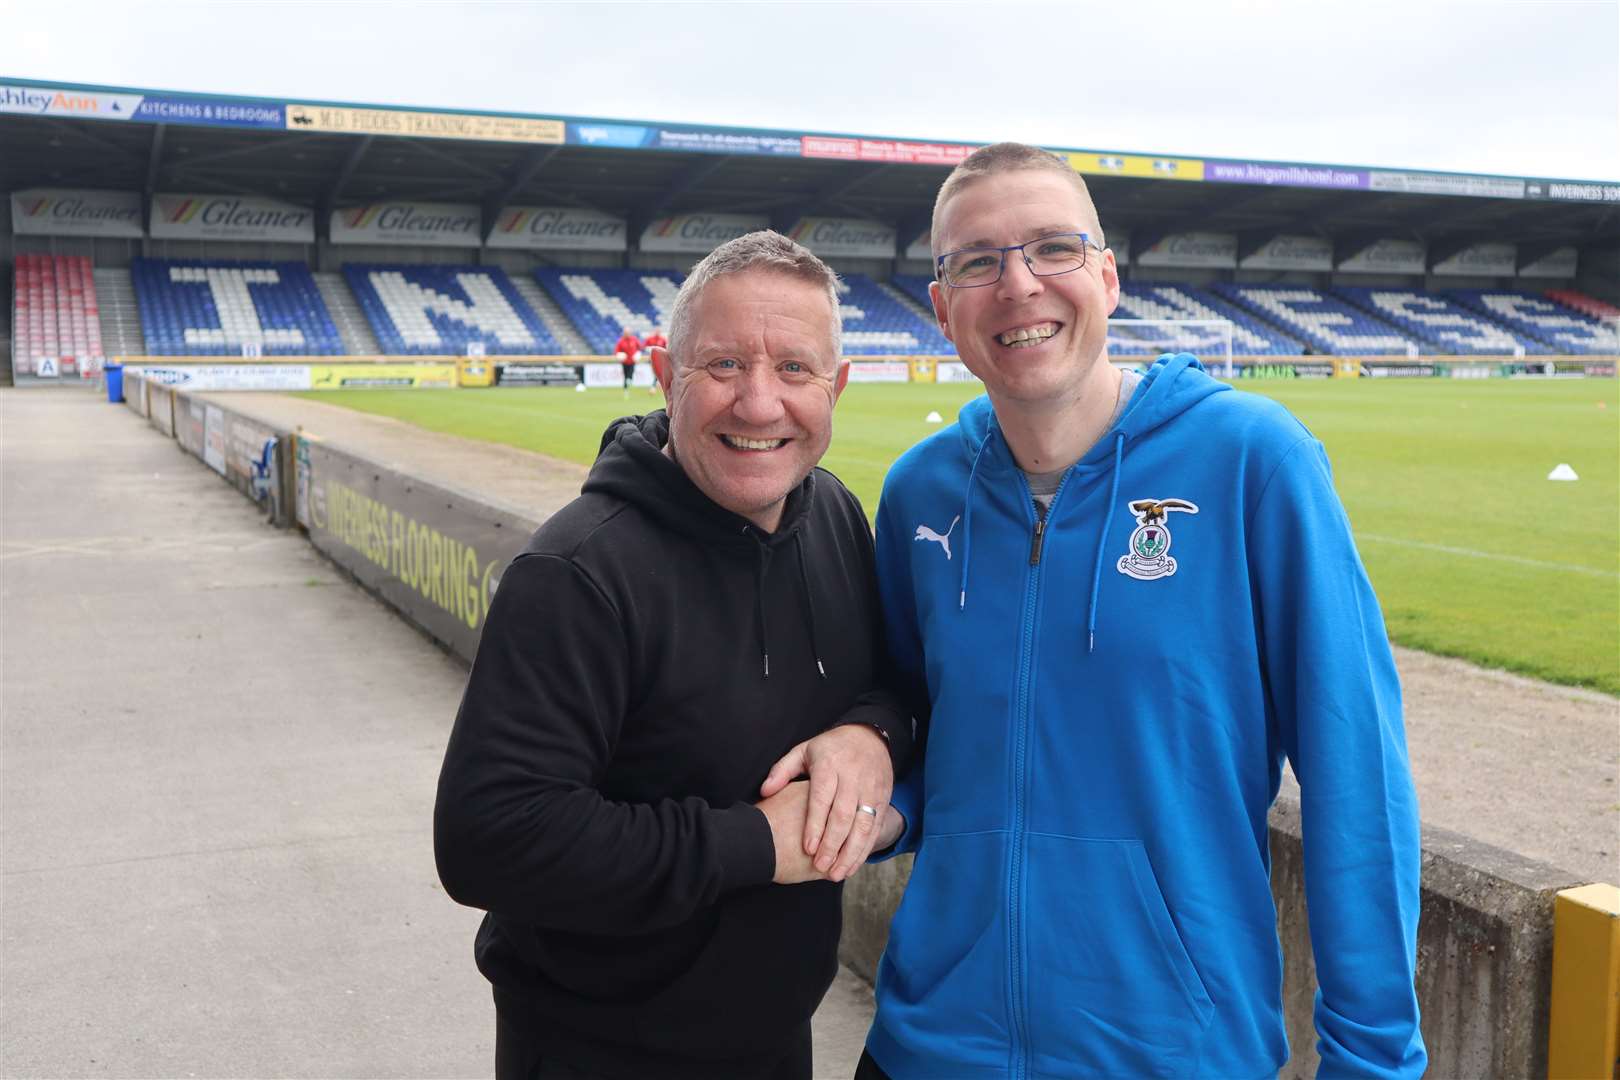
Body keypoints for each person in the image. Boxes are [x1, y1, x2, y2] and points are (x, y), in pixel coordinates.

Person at [859, 144, 1425, 1079]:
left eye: (1053, 248)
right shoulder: (921, 495)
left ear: (1108, 277)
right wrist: (880, 801)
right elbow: (913, 725)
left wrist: (1372, 1059)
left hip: (1173, 1054)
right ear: (941, 307)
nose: (1018, 283)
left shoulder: (1253, 461)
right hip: (926, 1047)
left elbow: (1355, 775)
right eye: (977, 261)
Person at [436, 231, 911, 1080]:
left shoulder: (836, 515)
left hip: (775, 1038)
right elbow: (488, 838)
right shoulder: (577, 571)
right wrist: (755, 843)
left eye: (796, 370)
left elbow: (890, 683)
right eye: (723, 365)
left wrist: (871, 733)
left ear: (837, 389)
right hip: (596, 1051)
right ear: (665, 374)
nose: (760, 404)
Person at [613, 326, 642, 397]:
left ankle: (629, 383)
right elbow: (616, 350)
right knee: (626, 376)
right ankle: (626, 390)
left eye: (628, 332)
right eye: (626, 332)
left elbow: (640, 347)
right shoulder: (621, 341)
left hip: (632, 361)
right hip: (624, 362)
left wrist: (638, 355)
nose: (627, 334)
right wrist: (619, 356)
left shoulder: (634, 339)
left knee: (630, 374)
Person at [642, 327, 669, 396]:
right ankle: (655, 386)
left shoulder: (662, 339)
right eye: (656, 331)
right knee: (655, 373)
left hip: (660, 359)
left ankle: (653, 387)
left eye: (658, 331)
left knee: (657, 373)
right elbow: (644, 347)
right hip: (651, 359)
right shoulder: (650, 339)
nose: (657, 332)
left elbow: (667, 347)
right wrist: (649, 349)